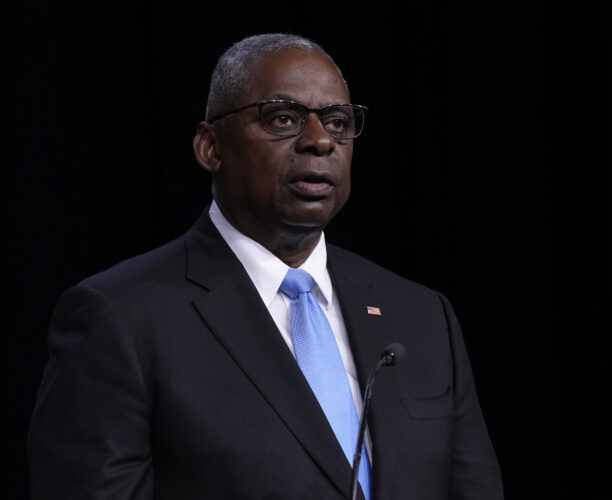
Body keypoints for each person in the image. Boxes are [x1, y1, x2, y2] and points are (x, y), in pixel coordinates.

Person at [27, 33, 504, 499]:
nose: (320, 141)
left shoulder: (421, 316)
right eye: (283, 118)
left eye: (338, 122)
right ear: (210, 147)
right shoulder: (120, 317)